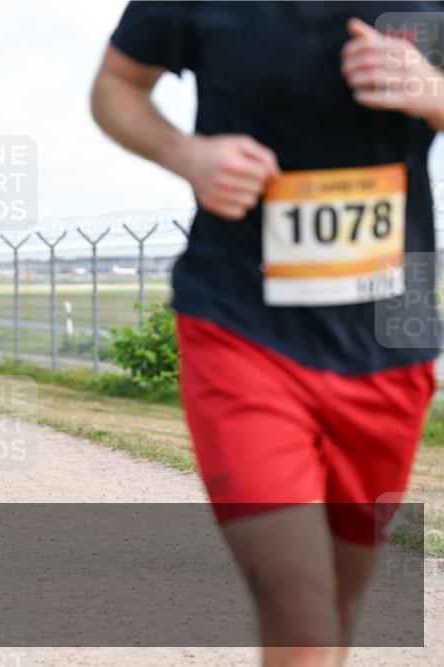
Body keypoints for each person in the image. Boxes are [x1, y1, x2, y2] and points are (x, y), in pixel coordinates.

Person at [91, 3, 443, 664]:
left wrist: (434, 92)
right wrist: (187, 154)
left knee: (336, 604)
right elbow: (116, 84)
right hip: (239, 328)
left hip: (389, 343)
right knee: (301, 611)